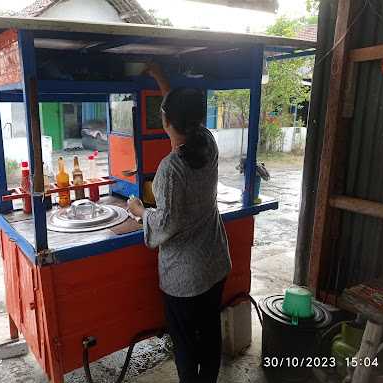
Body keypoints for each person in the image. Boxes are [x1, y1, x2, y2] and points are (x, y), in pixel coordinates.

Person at [128, 64, 232, 383]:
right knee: (210, 336)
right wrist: (161, 79)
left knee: (185, 346)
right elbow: (178, 114)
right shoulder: (207, 142)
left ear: (166, 121)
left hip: (186, 277)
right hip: (214, 263)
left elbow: (167, 223)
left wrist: (140, 211)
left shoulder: (171, 168)